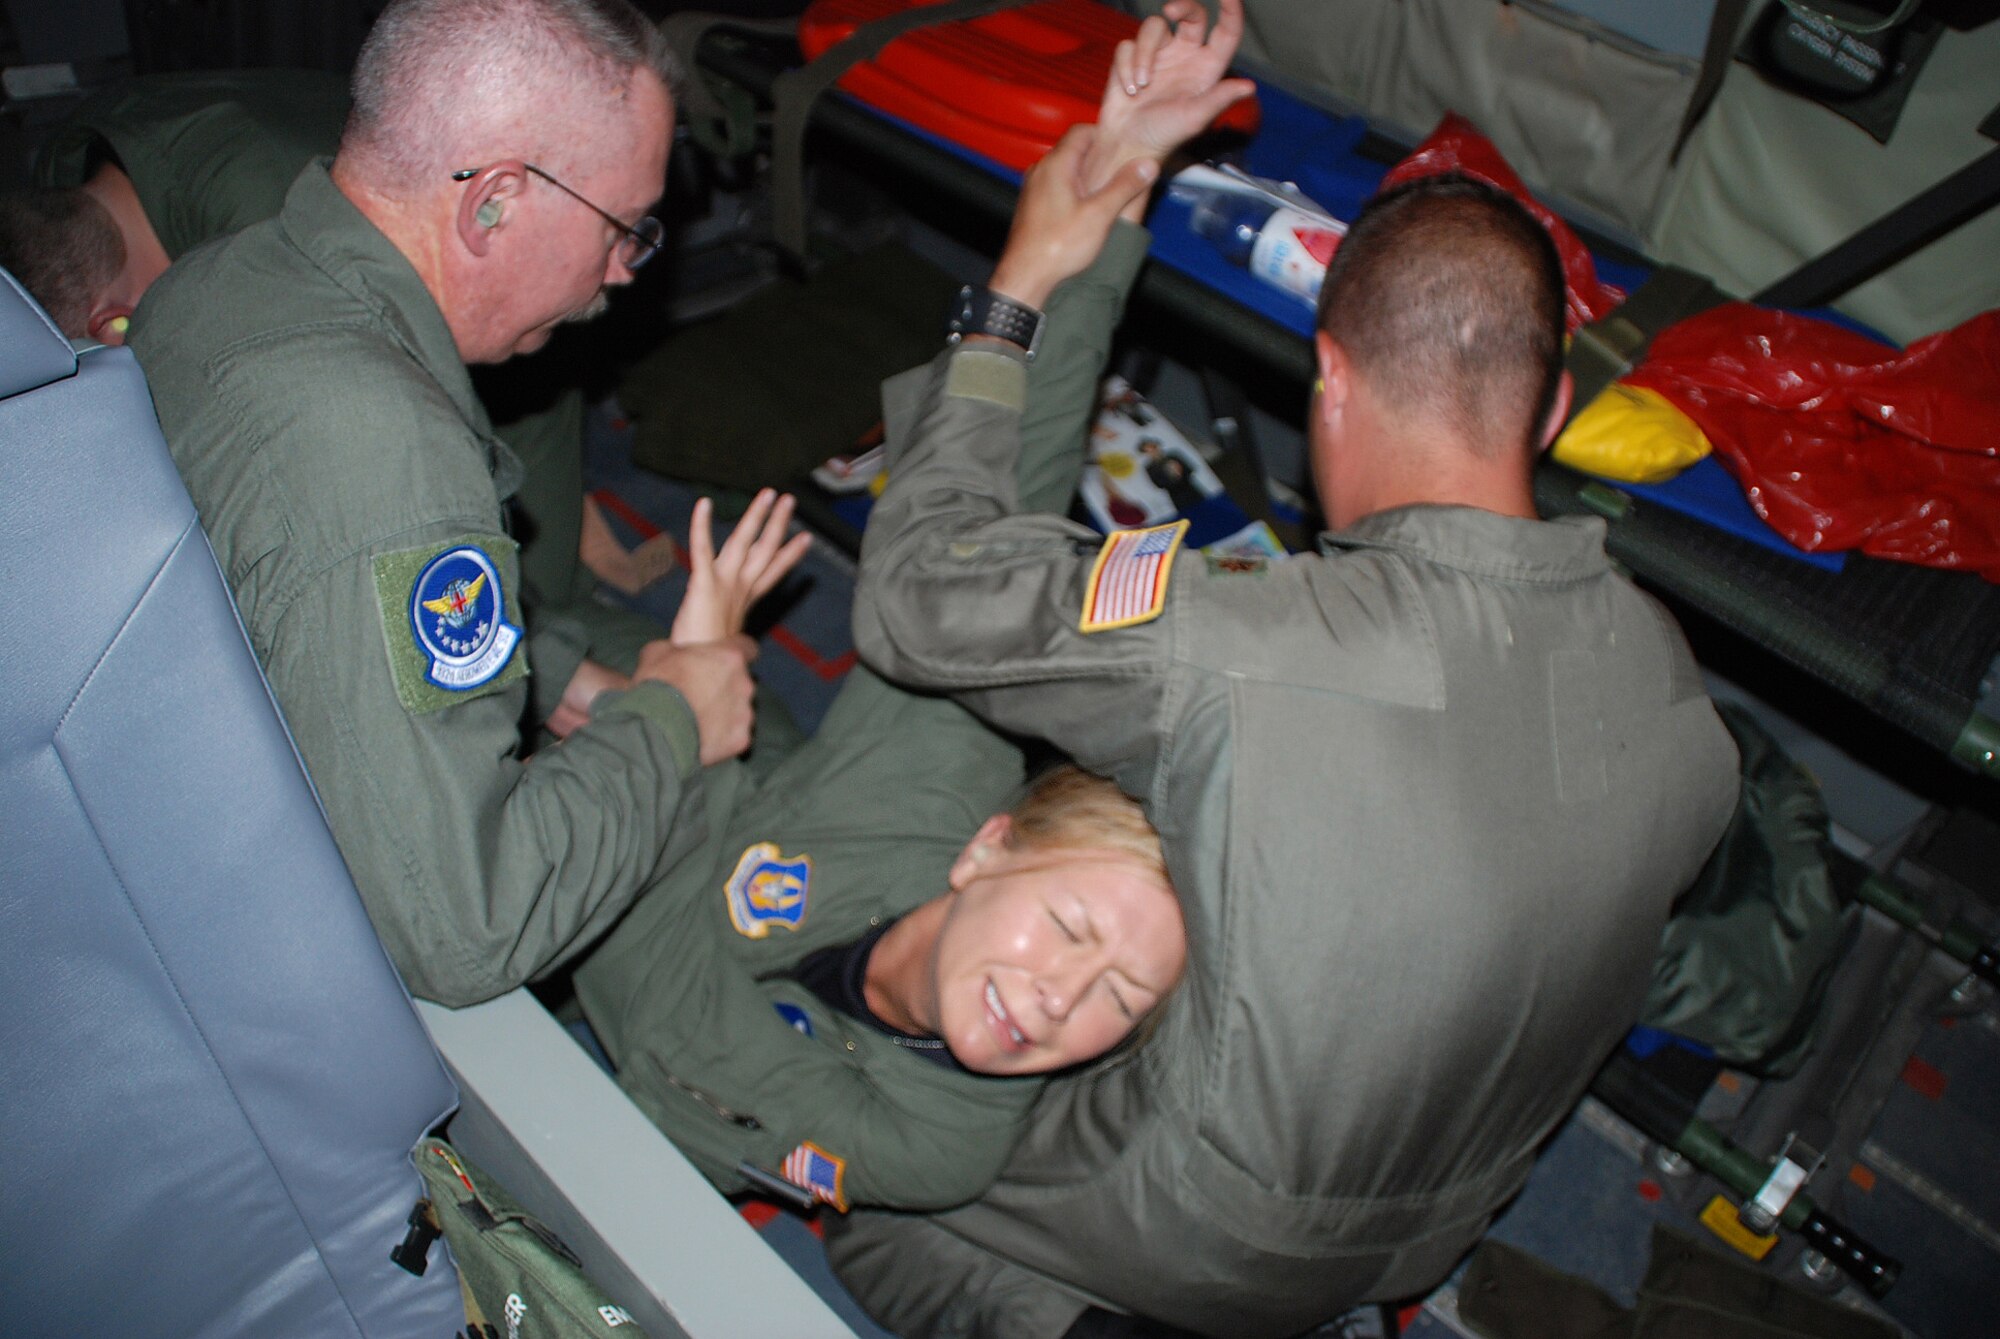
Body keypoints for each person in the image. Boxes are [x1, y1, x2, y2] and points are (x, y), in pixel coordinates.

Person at [822, 1, 1742, 1333]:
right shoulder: (1677, 694)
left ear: (1329, 382)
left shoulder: (1244, 640)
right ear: (1550, 411)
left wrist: (1016, 287)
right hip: (1443, 1215)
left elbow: (918, 597)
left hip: (1200, 1236)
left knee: (861, 1158)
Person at [126, 0, 809, 1007]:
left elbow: (336, 604)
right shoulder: (388, 453)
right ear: (492, 201)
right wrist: (673, 718)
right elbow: (469, 930)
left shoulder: (219, 279)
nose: (626, 269)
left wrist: (574, 683)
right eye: (623, 227)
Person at [0, 67, 707, 741]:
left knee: (516, 599)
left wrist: (546, 669)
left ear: (112, 328)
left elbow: (368, 481)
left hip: (517, 344)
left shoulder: (276, 265)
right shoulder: (84, 164)